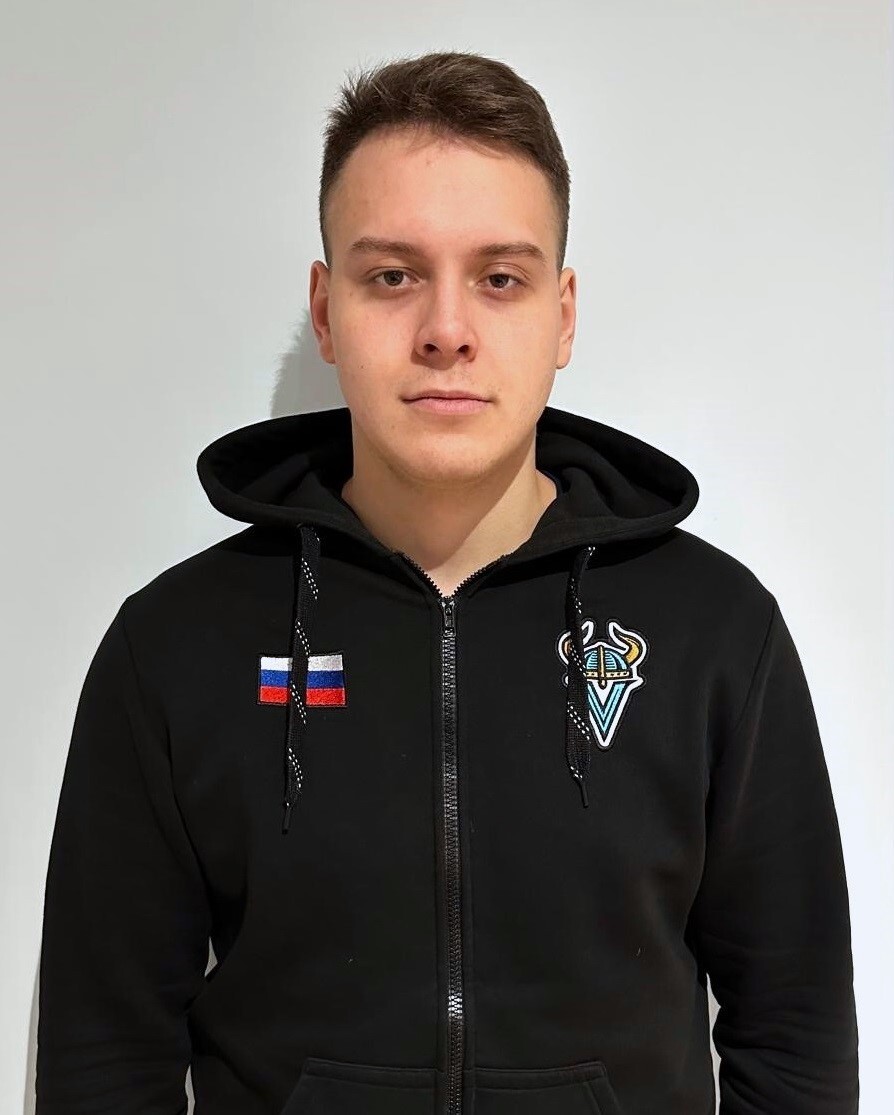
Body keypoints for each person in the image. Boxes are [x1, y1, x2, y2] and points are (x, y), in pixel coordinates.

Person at [36, 49, 859, 1115]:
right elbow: (103, 1053)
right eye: (393, 275)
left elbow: (793, 1030)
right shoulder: (176, 645)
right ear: (326, 310)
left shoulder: (716, 631)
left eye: (500, 278)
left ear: (564, 314)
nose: (447, 330)